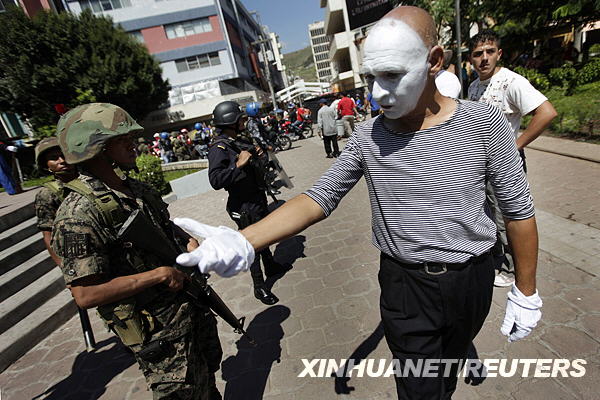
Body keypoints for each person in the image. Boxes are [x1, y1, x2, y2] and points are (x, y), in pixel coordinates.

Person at [177, 7, 542, 399]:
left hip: (473, 279)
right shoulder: (368, 137)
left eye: (392, 75)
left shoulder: (485, 123)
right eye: (371, 77)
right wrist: (244, 241)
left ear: (434, 61)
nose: (377, 93)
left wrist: (526, 290)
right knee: (418, 388)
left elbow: (518, 209)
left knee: (445, 372)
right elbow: (318, 197)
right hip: (406, 287)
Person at [51, 103, 222, 399]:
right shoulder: (77, 214)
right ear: (98, 148)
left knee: (207, 383)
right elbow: (85, 294)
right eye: (121, 139)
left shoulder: (136, 189)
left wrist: (190, 241)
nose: (133, 144)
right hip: (159, 333)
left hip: (190, 309)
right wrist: (157, 275)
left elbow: (165, 228)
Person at [468, 29, 557, 287]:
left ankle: (510, 270)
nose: (484, 58)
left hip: (505, 165)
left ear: (499, 53)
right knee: (489, 215)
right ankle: (498, 259)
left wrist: (516, 145)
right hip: (481, 165)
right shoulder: (474, 86)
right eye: (477, 54)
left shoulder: (511, 82)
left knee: (509, 218)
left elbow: (546, 113)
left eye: (489, 52)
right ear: (471, 59)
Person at [207, 101, 286, 305]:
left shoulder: (237, 141)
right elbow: (215, 180)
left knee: (263, 236)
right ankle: (259, 287)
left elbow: (251, 160)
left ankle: (271, 266)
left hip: (255, 198)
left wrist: (258, 154)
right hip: (242, 205)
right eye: (240, 118)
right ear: (230, 121)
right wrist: (238, 166)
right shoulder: (219, 147)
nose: (244, 120)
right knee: (252, 245)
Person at [34, 137, 79, 266]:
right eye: (54, 158)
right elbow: (48, 233)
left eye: (64, 155)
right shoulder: (47, 194)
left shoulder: (90, 179)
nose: (62, 161)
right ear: (45, 165)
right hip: (77, 246)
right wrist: (63, 265)